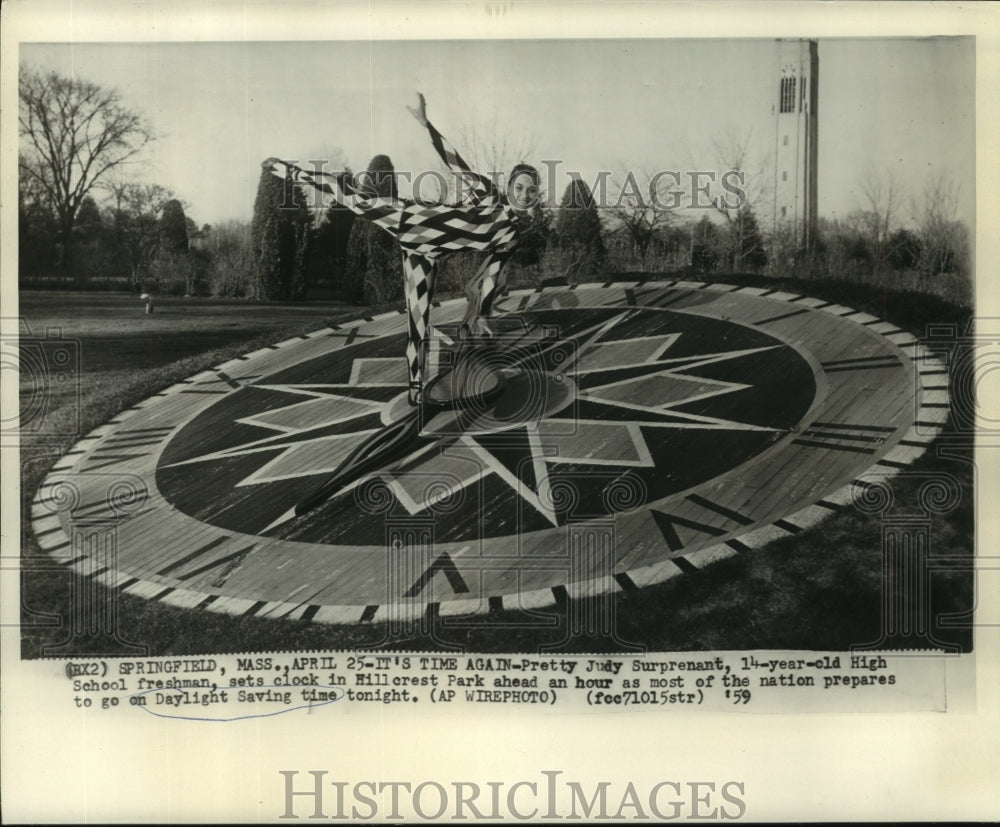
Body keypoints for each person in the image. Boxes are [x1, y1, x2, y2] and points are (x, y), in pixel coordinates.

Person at [263, 93, 539, 405]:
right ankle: (289, 171)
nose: (525, 194)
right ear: (509, 187)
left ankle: (415, 392)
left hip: (423, 255)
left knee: (418, 322)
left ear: (536, 194)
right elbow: (455, 162)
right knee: (352, 198)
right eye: (519, 187)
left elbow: (491, 274)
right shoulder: (488, 196)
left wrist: (484, 314)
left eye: (531, 190)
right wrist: (426, 125)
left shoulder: (510, 237)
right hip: (409, 219)